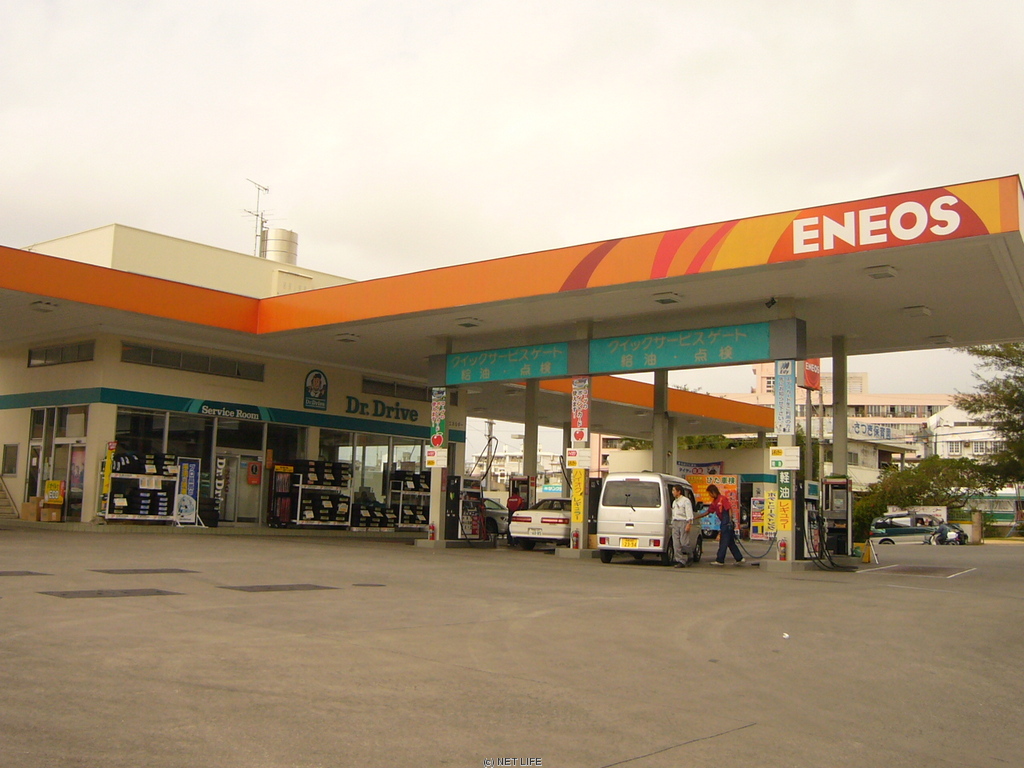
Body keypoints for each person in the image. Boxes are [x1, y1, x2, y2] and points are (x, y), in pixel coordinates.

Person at [707, 484, 744, 565]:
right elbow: (708, 511)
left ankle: (720, 560)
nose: (710, 495)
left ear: (713, 492)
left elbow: (729, 509)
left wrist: (730, 521)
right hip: (724, 522)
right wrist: (696, 517)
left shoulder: (722, 499)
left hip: (726, 522)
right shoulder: (714, 502)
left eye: (710, 493)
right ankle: (739, 558)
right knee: (730, 542)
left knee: (723, 542)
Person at [670, 484, 695, 567]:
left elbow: (689, 512)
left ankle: (690, 554)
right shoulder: (674, 502)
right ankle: (680, 561)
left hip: (683, 521)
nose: (672, 492)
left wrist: (689, 523)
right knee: (676, 543)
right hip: (675, 522)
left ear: (679, 491)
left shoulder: (685, 501)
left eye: (674, 490)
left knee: (684, 542)